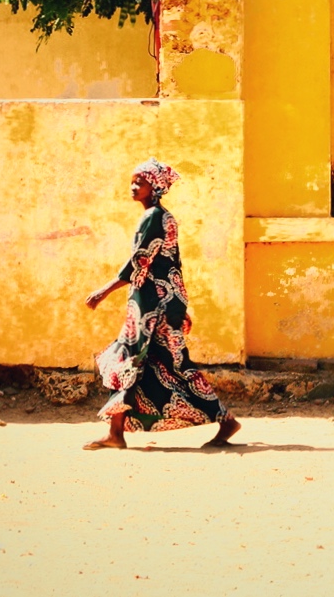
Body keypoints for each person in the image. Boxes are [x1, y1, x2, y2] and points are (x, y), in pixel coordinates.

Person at [83, 158, 240, 450]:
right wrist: (179, 305)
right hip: (159, 302)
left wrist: (104, 290)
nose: (133, 186)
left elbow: (139, 261)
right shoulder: (163, 217)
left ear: (154, 186)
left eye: (139, 182)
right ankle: (116, 433)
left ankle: (225, 420)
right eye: (132, 181)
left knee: (143, 360)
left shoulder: (154, 216)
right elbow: (170, 266)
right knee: (142, 362)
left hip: (152, 305)